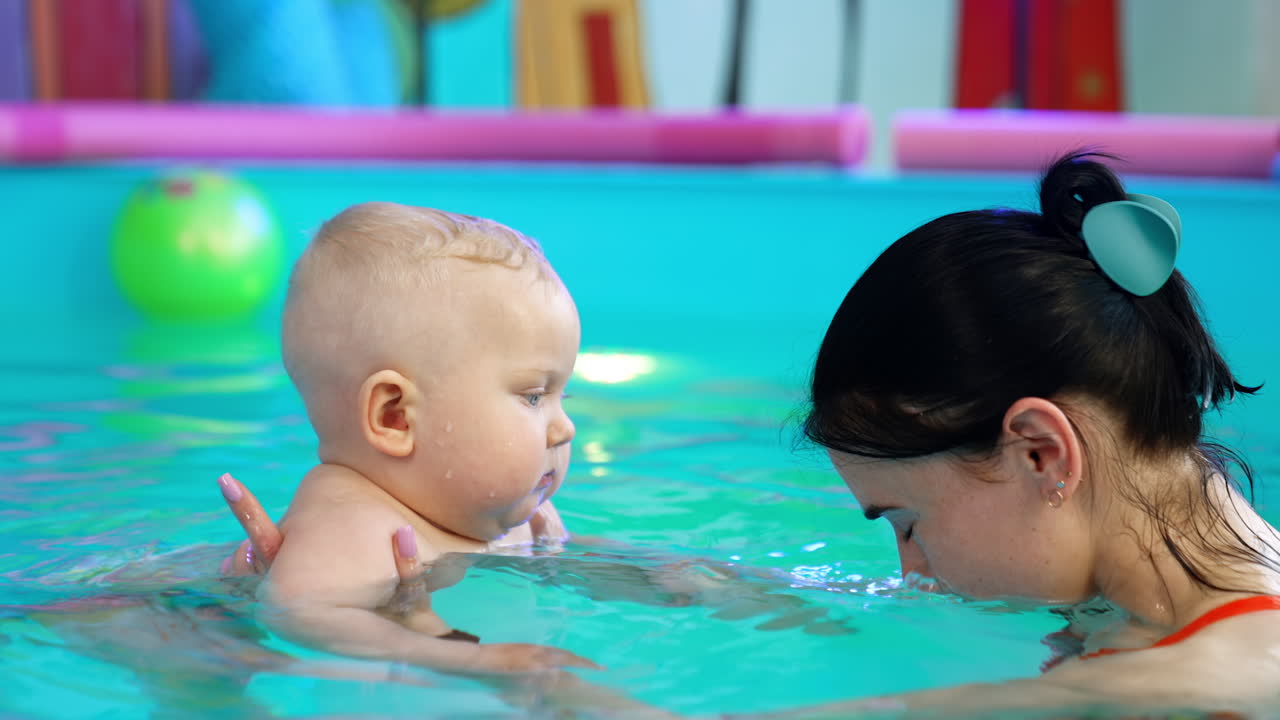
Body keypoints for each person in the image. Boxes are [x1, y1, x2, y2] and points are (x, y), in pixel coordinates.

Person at [223, 154, 1280, 716]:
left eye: (900, 522)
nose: (910, 571)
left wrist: (533, 678)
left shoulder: (1204, 679)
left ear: (1042, 453)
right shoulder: (1176, 500)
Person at [222, 201, 595, 677]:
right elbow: (302, 614)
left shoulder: (504, 511)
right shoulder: (353, 525)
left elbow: (573, 562)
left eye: (562, 395)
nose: (566, 428)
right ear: (395, 416)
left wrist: (656, 577)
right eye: (534, 395)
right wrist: (462, 658)